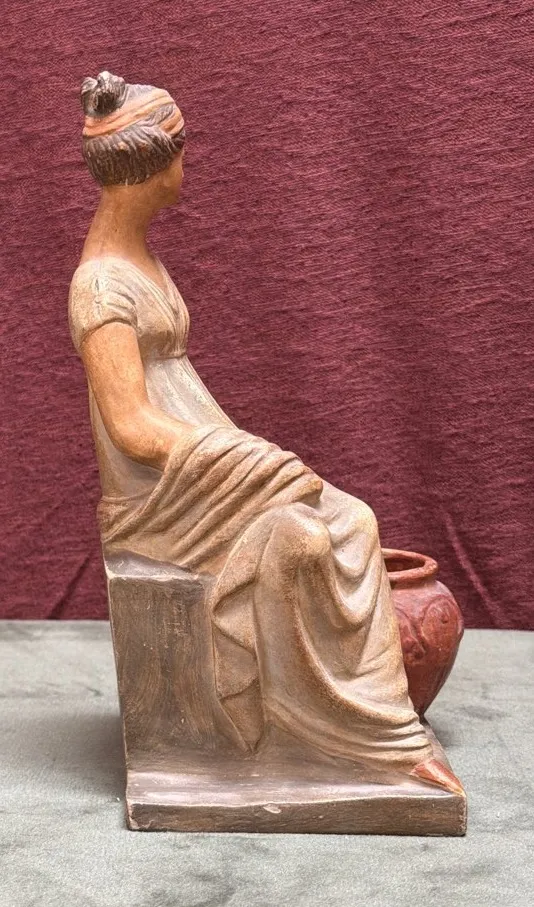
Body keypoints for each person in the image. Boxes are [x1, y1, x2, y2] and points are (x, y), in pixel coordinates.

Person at [69, 71, 461, 793]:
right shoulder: (100, 286)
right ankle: (332, 732)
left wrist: (241, 451)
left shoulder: (139, 259)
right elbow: (130, 426)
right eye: (182, 151)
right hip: (158, 494)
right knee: (302, 538)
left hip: (199, 465)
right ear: (152, 166)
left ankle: (376, 727)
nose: (187, 166)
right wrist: (240, 457)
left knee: (354, 519)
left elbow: (175, 391)